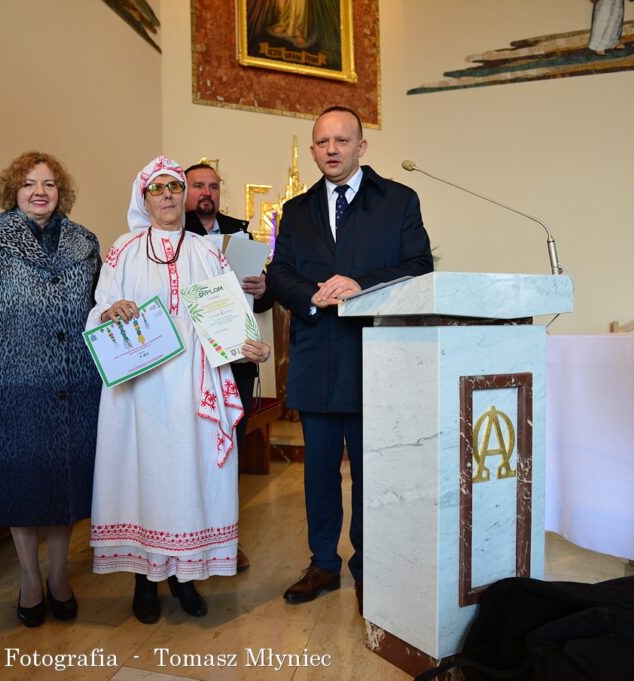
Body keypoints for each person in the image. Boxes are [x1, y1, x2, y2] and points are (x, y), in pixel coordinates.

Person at [88, 156, 271, 624]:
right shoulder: (123, 250)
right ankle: (144, 582)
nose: (168, 195)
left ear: (184, 197)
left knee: (188, 477)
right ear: (144, 198)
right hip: (140, 390)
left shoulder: (208, 252)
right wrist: (110, 311)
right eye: (158, 188)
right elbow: (99, 308)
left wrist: (250, 346)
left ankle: (184, 577)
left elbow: (228, 318)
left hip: (195, 384)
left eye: (174, 187)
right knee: (144, 476)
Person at [266, 106, 433, 614]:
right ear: (313, 150)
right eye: (322, 142)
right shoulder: (296, 210)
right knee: (318, 473)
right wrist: (313, 296)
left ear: (361, 146)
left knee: (370, 471)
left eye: (342, 141)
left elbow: (419, 264)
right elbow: (279, 274)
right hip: (317, 356)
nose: (332, 150)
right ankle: (322, 562)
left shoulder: (398, 200)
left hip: (375, 357)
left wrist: (362, 285)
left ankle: (369, 565)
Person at [0, 151, 102, 628]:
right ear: (12, 191)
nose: (40, 192)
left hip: (77, 381)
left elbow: (101, 306)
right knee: (22, 479)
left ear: (61, 192)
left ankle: (59, 575)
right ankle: (30, 577)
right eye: (29, 183)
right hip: (11, 382)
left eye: (50, 184)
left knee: (64, 479)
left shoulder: (85, 241)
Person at [184, 162, 273, 572]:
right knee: (189, 454)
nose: (207, 192)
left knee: (228, 453)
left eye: (214, 186)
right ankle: (186, 536)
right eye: (198, 185)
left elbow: (263, 300)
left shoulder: (241, 233)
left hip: (233, 359)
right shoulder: (171, 232)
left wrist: (263, 288)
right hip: (189, 362)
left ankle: (225, 541)